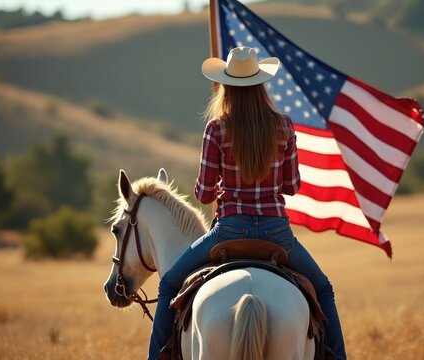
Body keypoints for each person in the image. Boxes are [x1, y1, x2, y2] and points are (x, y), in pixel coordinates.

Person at [148, 46, 346, 360]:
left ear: (226, 86)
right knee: (323, 289)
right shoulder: (284, 127)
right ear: (260, 84)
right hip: (277, 233)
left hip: (228, 231)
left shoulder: (216, 129)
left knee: (169, 285)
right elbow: (292, 186)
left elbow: (203, 194)